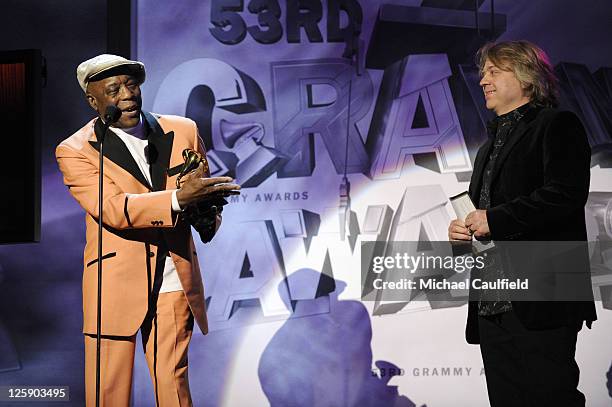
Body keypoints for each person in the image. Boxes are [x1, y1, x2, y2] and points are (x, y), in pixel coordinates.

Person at [56, 54, 240, 406]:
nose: (127, 94)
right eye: (114, 89)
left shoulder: (182, 129)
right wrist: (177, 199)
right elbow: (113, 209)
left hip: (173, 278)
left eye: (132, 84)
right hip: (113, 284)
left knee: (174, 382)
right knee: (107, 391)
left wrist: (207, 212)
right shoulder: (75, 150)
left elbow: (198, 190)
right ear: (94, 101)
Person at [447, 41, 597, 406]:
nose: (483, 80)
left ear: (527, 76)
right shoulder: (488, 145)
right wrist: (462, 234)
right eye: (483, 73)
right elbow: (482, 213)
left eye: (494, 72)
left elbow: (564, 194)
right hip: (492, 303)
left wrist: (493, 220)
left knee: (551, 398)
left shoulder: (557, 124)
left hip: (542, 297)